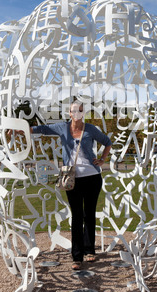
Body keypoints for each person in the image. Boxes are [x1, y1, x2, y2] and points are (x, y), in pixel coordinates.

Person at [26, 101, 112, 269]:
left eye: (80, 110)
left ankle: (89, 251)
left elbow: (107, 142)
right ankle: (77, 257)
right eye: (74, 110)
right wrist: (20, 129)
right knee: (77, 215)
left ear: (83, 112)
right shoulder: (62, 128)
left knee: (89, 214)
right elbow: (41, 129)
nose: (77, 112)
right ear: (69, 113)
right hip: (71, 179)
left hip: (92, 177)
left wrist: (102, 160)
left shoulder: (90, 129)